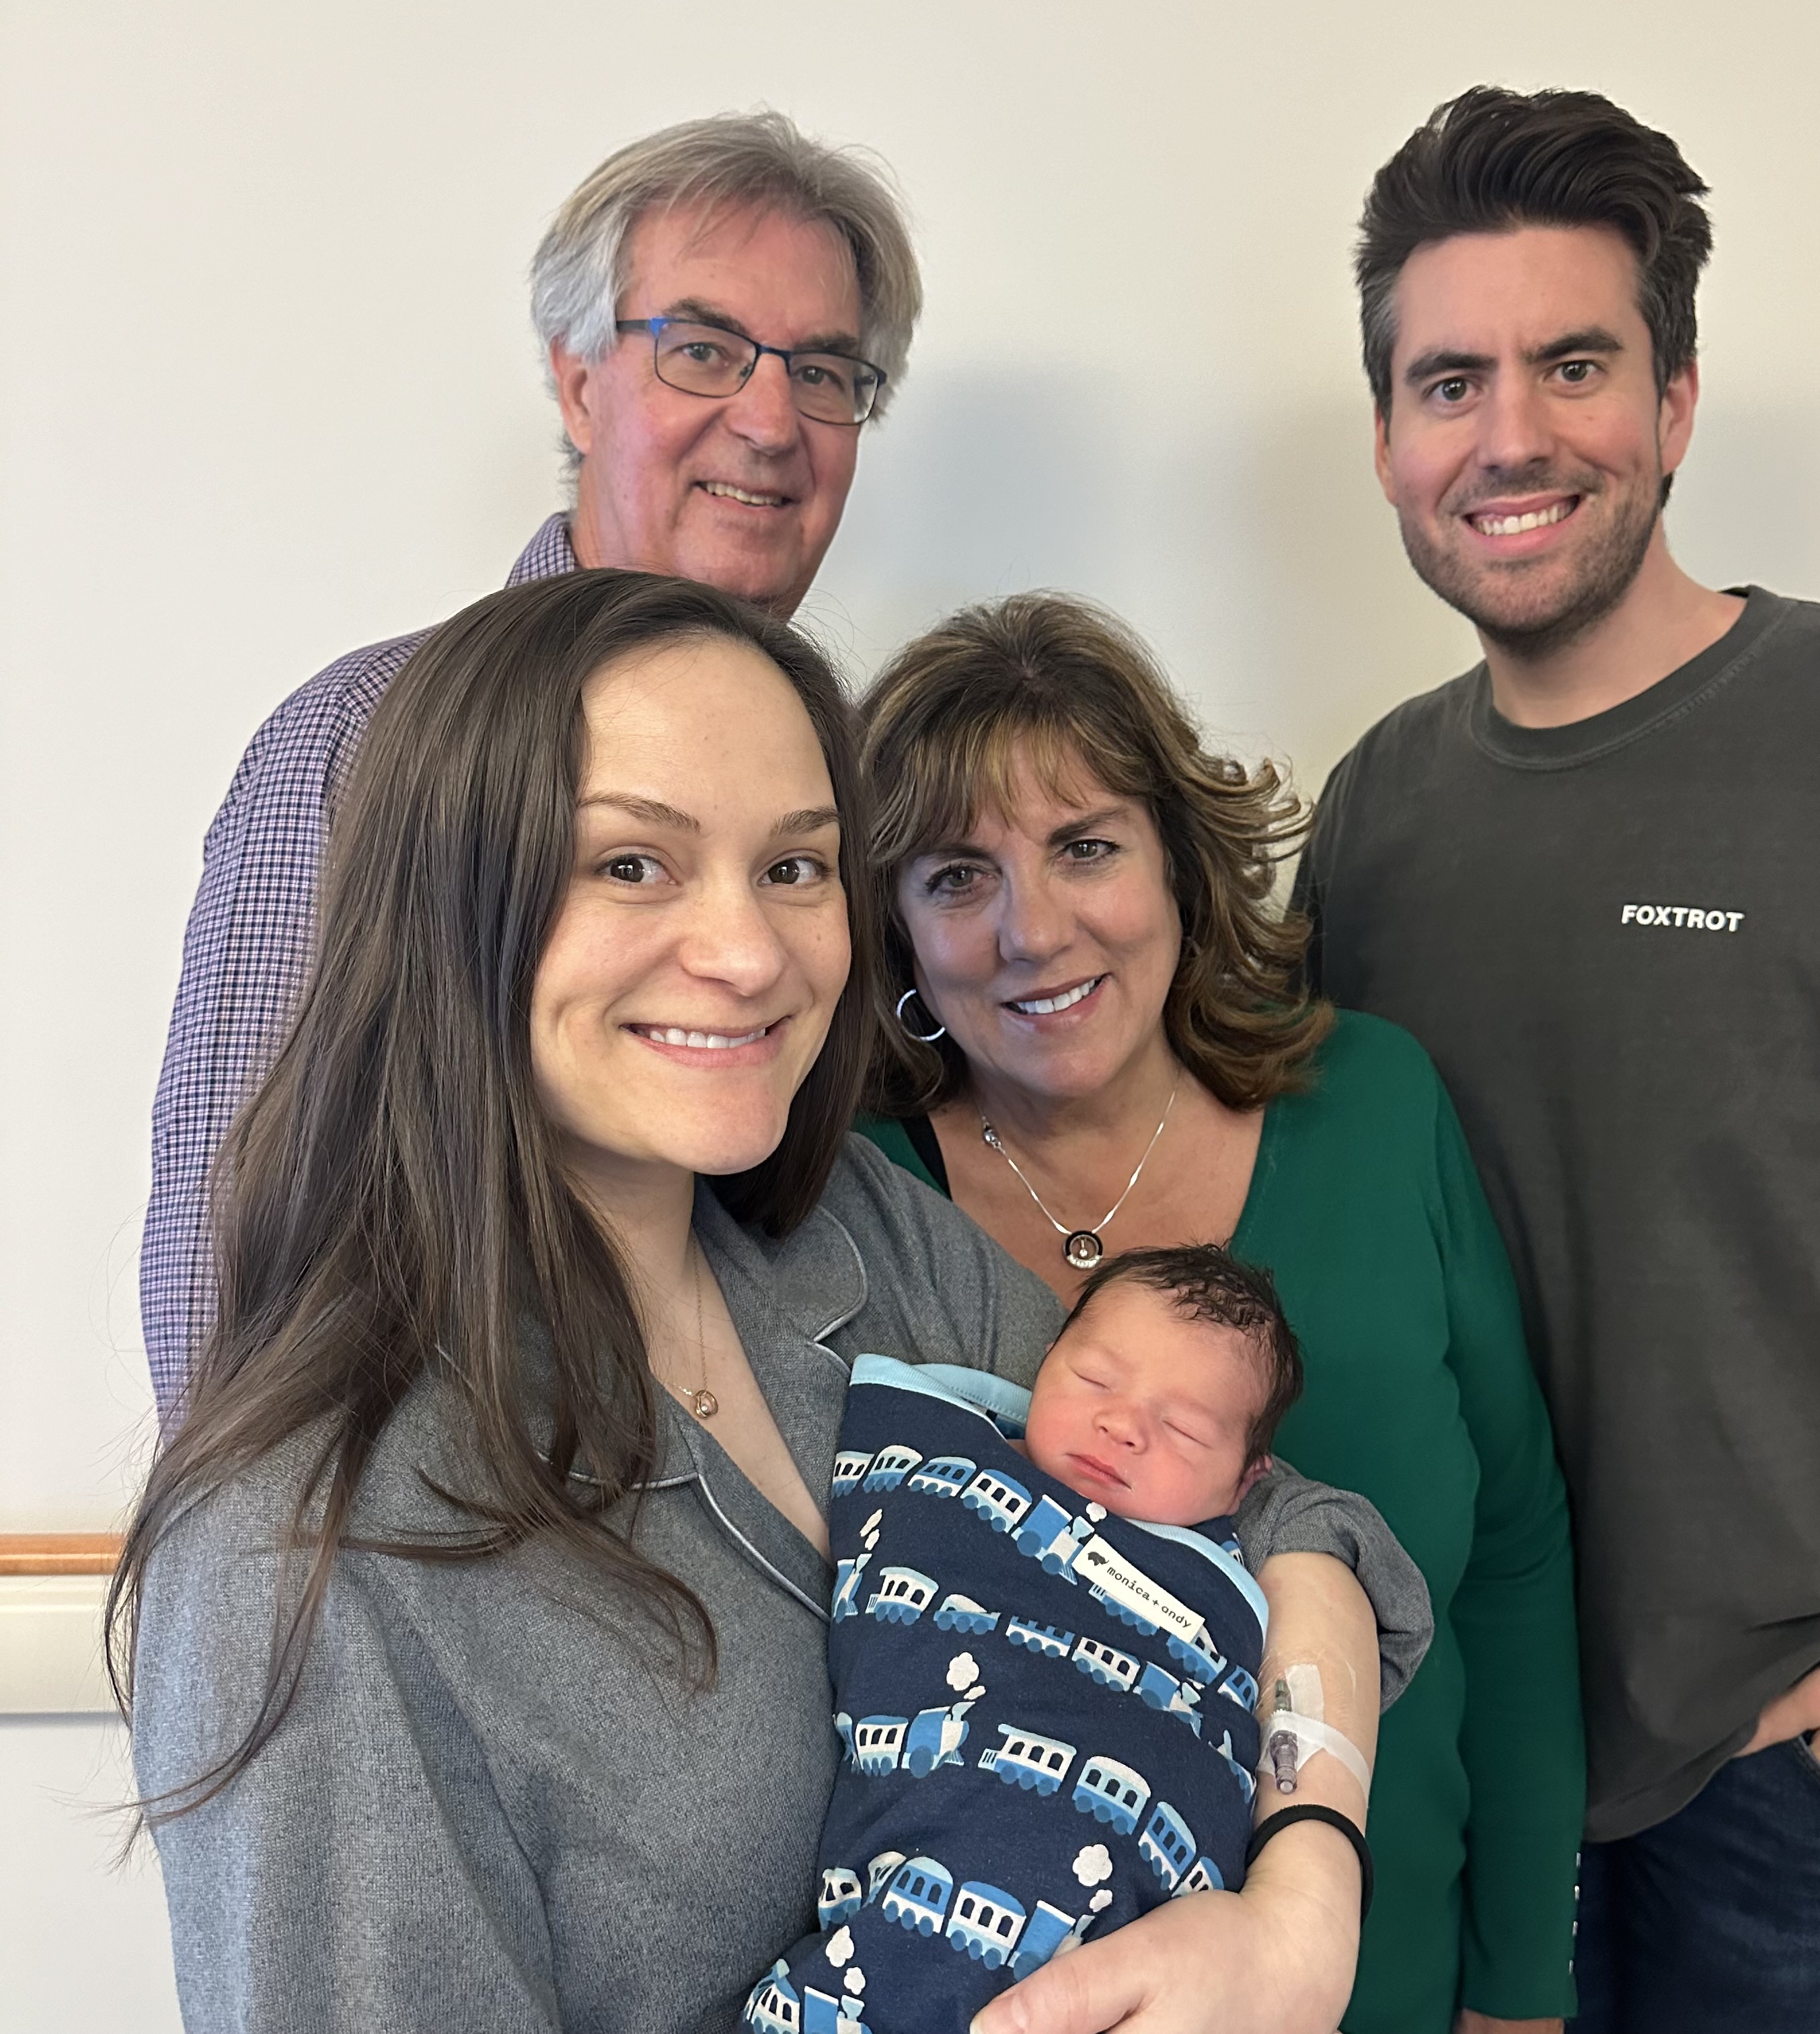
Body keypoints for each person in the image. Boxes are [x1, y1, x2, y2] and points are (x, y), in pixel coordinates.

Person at [114, 569, 1396, 2034]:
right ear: (448, 901)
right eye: (632, 865)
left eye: (795, 867)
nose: (746, 954)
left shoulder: (859, 1243)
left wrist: (1306, 1892)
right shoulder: (310, 1547)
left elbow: (1279, 1527)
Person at [1293, 84, 1820, 2033]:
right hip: (1465, 1734)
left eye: (1574, 365)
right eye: (1449, 382)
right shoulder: (1373, 816)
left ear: (1677, 400)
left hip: (1800, 1761)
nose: (1511, 434)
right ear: (1387, 437)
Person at [856, 591, 1585, 2034]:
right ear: (892, 928)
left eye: (1084, 848)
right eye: (955, 876)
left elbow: (1513, 1558)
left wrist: (1521, 1986)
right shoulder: (843, 1202)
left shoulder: (1376, 1107)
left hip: (1388, 1980)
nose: (1032, 931)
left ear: (1181, 862)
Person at [141, 108, 921, 1420]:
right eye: (705, 348)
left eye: (828, 371)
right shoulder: (365, 735)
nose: (774, 418)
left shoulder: (858, 775)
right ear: (576, 381)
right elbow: (239, 1258)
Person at [764, 1246, 1430, 2032]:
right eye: (1094, 1381)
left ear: (1250, 1479)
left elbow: (1330, 1531)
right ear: (1046, 1362)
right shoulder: (945, 1452)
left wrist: (1305, 1901)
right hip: (911, 1883)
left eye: (1182, 1428)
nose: (1121, 1425)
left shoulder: (1229, 1571)